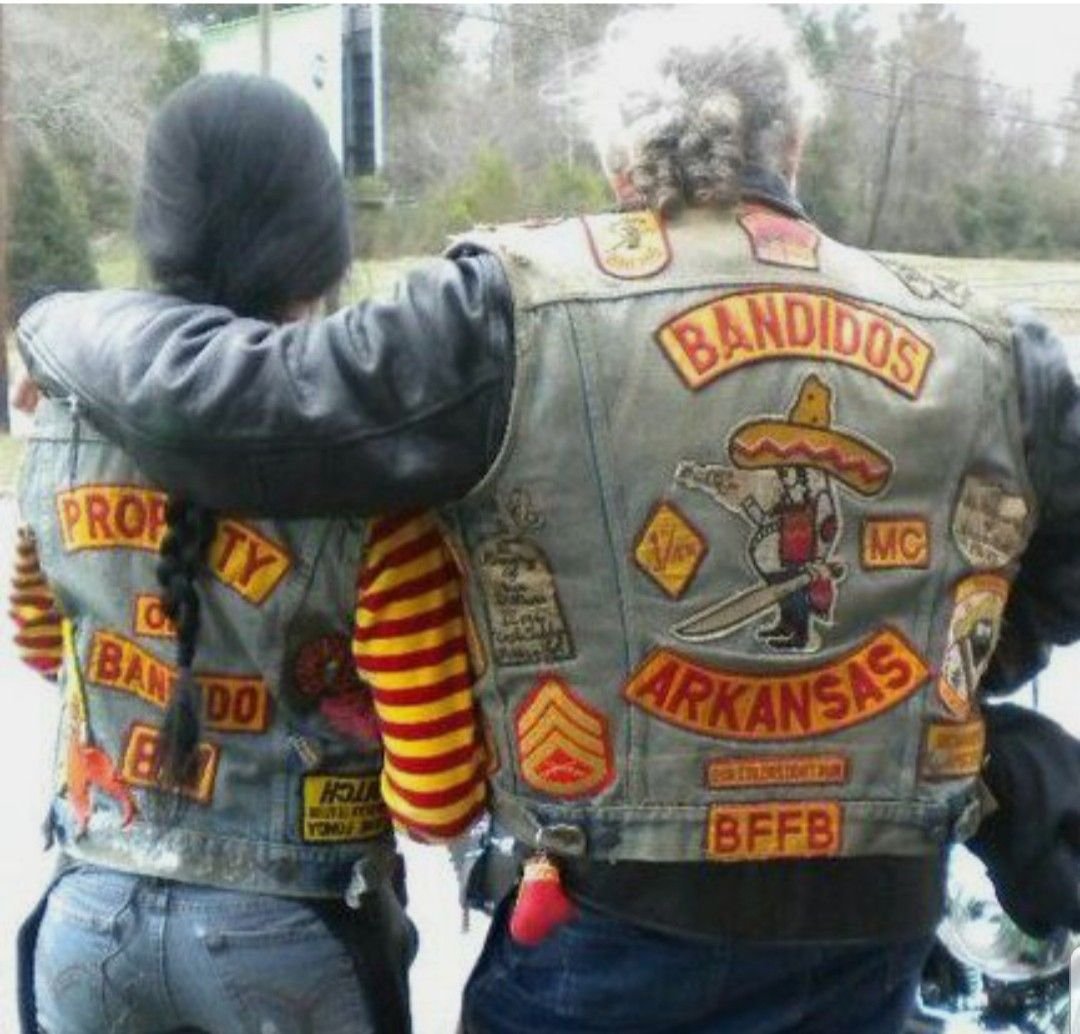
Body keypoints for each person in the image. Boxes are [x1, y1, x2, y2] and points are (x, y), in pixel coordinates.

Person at [16, 9, 1080, 1033]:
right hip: (873, 922)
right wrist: (930, 673)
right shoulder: (995, 347)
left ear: (622, 159)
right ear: (793, 143)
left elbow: (240, 405)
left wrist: (58, 321)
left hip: (604, 919)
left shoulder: (507, 310)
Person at [12, 74, 486, 1034]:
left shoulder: (59, 413)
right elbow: (436, 793)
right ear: (319, 242)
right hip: (292, 940)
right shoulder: (377, 466)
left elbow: (35, 638)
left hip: (88, 922)